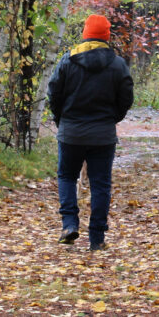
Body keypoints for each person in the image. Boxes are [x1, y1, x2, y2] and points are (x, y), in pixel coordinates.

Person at [48, 13, 134, 251]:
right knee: (100, 184)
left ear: (85, 34)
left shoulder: (68, 61)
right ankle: (97, 238)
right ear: (106, 36)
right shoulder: (118, 64)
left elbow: (53, 94)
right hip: (102, 135)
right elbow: (126, 98)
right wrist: (112, 119)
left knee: (67, 176)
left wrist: (62, 120)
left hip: (71, 132)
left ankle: (69, 225)